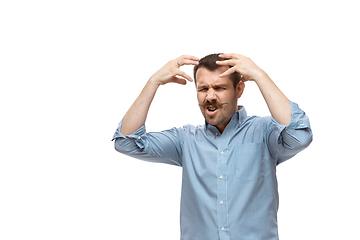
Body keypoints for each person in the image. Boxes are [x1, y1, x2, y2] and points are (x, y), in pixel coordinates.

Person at [112, 53, 313, 240]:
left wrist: (260, 75)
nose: (210, 96)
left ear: (239, 90)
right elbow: (126, 142)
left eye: (219, 88)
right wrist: (153, 82)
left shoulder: (264, 132)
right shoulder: (185, 140)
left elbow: (299, 136)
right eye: (203, 88)